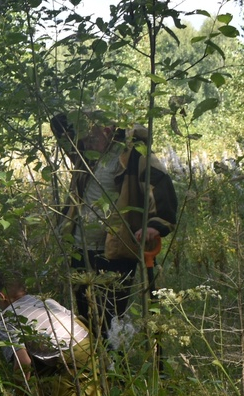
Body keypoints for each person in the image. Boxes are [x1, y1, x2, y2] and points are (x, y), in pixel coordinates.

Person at [51, 113, 178, 336]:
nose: (86, 141)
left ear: (108, 131)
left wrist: (155, 225)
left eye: (92, 135)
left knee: (110, 314)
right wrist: (80, 114)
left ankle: (114, 361)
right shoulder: (87, 154)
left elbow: (160, 183)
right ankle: (90, 362)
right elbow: (59, 125)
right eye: (85, 135)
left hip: (115, 249)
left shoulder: (134, 155)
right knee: (85, 314)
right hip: (81, 247)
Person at [0, 272, 97, 396]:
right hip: (90, 344)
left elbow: (23, 363)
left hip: (68, 356)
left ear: (2, 297)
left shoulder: (5, 318)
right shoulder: (47, 301)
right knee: (96, 392)